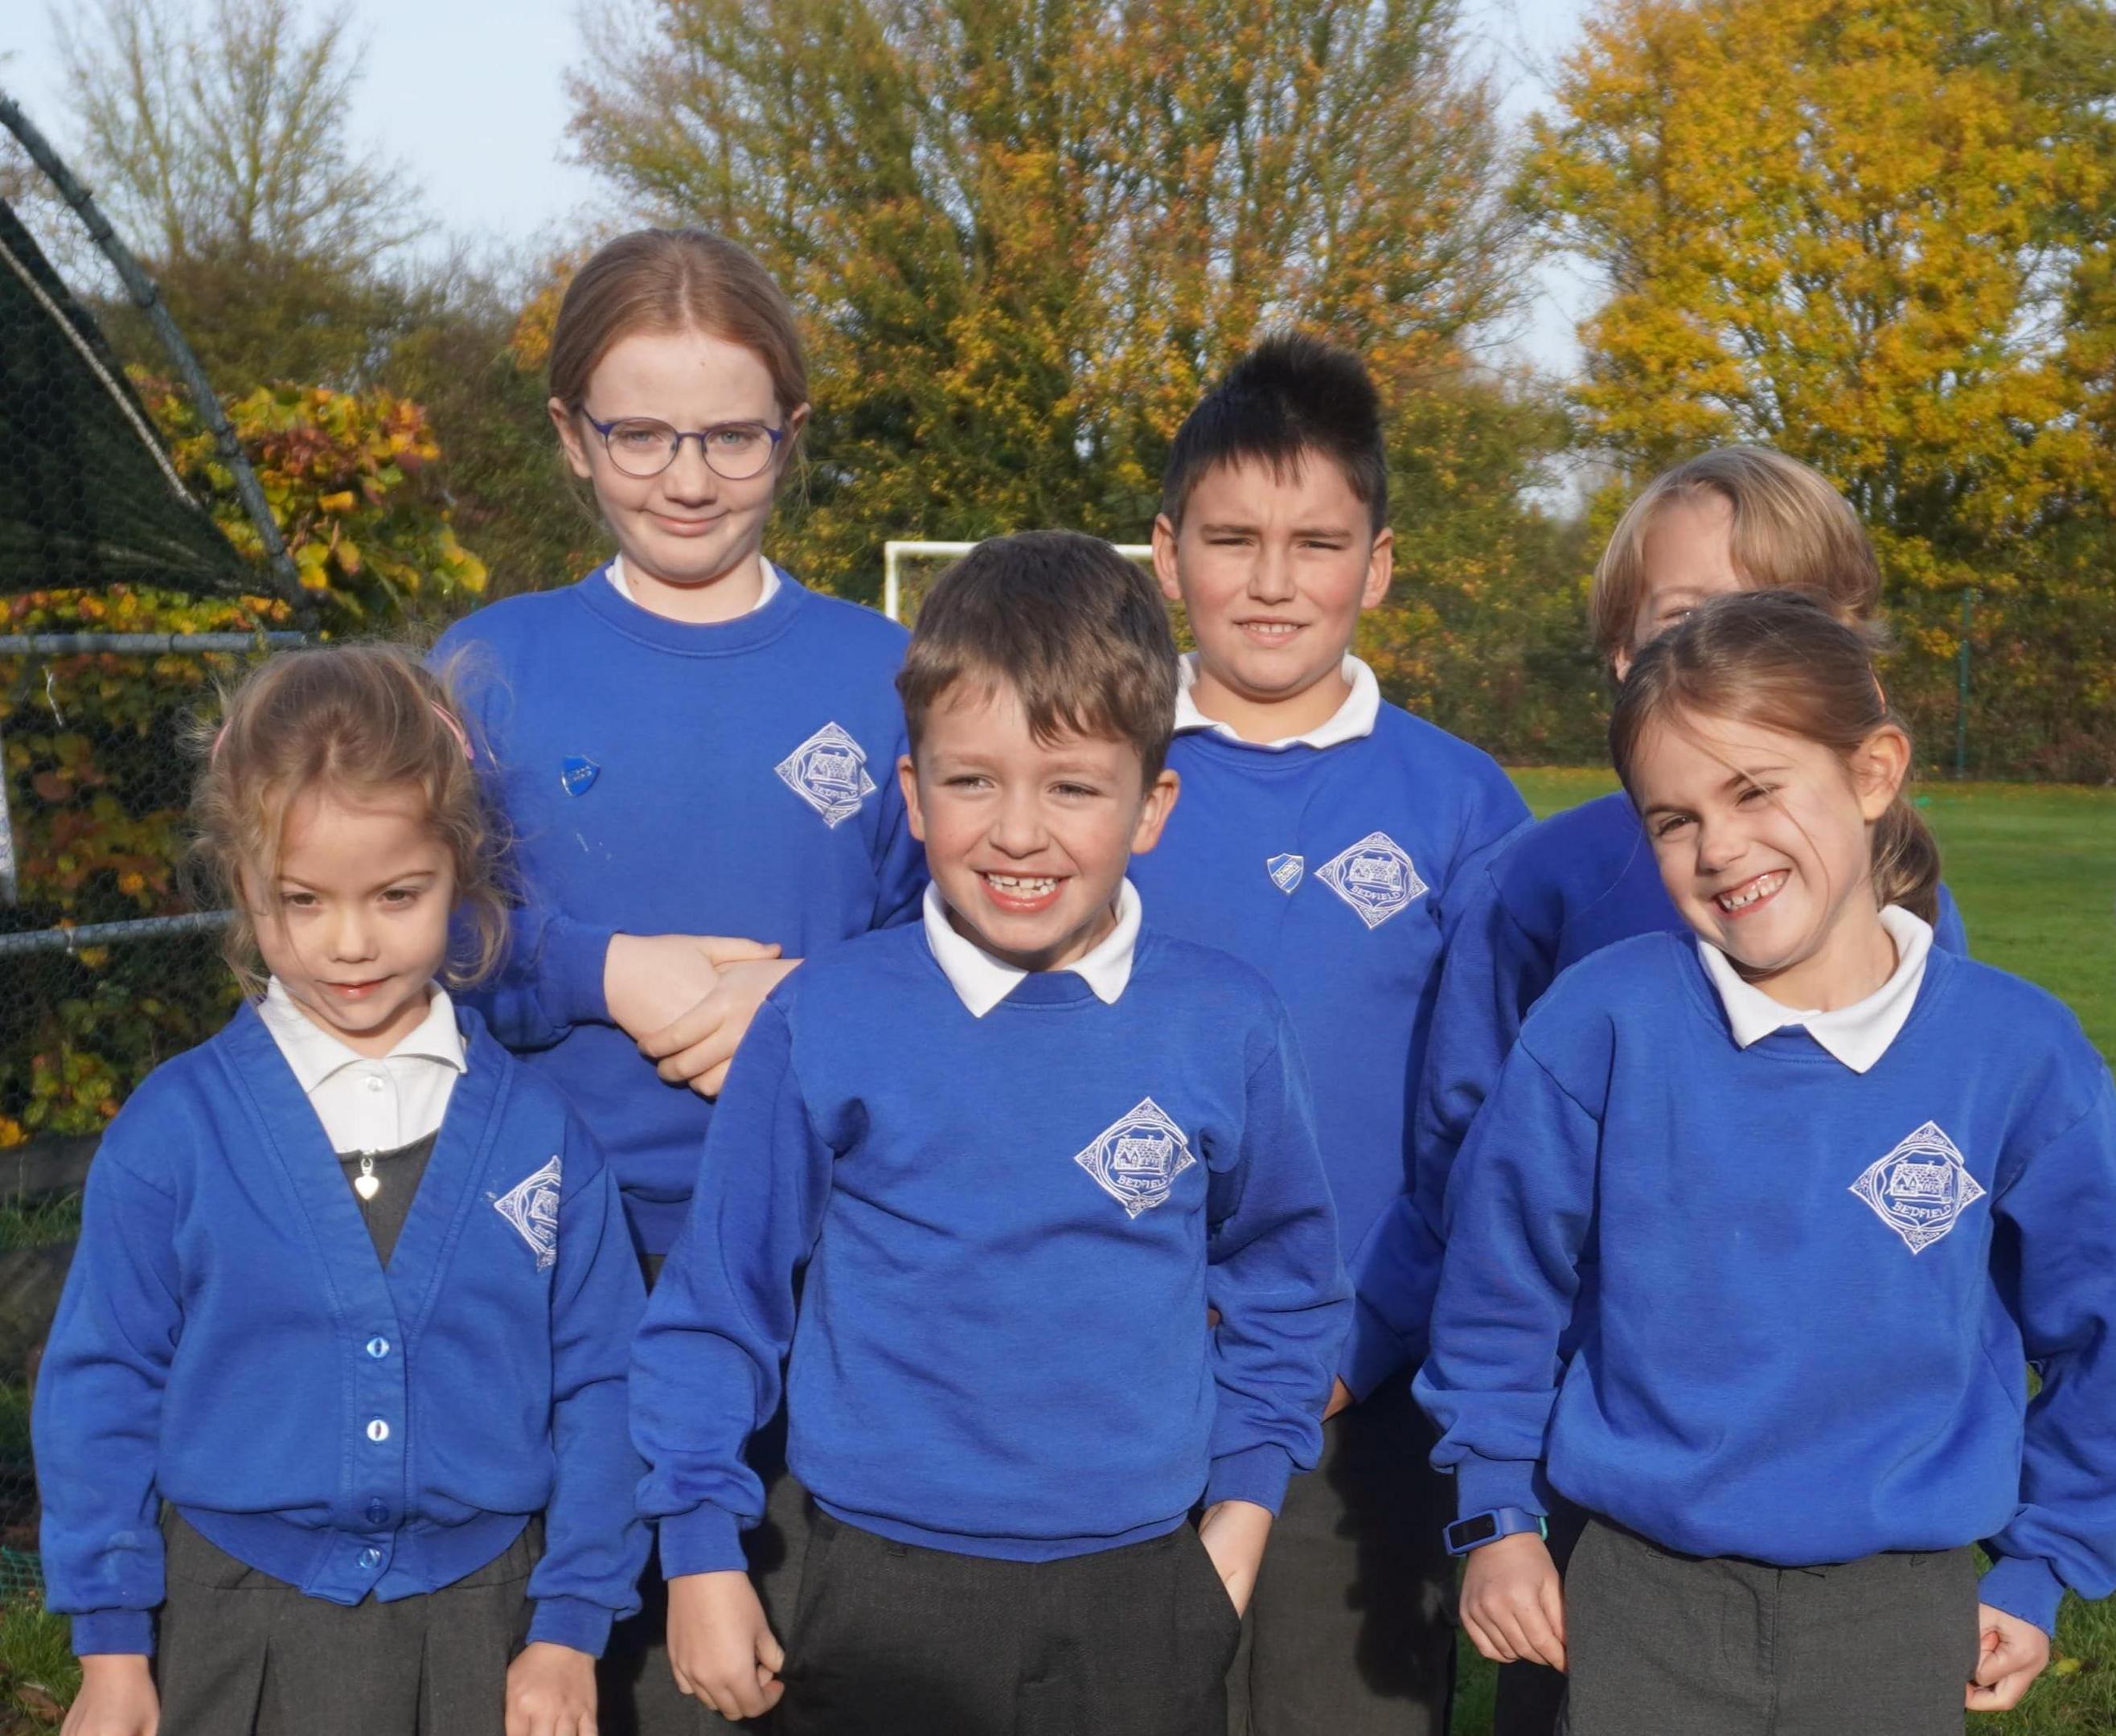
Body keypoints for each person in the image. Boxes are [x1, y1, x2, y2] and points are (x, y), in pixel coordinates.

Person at [627, 534, 1350, 1736]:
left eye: (1072, 786)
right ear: (911, 794)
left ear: (1151, 804)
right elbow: (719, 1302)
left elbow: (1288, 1289)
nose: (1019, 832)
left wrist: (1236, 1526)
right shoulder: (826, 1016)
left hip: (1145, 1592)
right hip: (875, 1590)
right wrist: (700, 1546)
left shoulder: (1224, 1022)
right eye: (973, 781)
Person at [1420, 591, 2116, 1734]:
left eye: (1755, 790)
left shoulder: (2017, 1055)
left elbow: (2101, 1337)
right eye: (1672, 819)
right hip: (1632, 1590)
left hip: (1900, 1604)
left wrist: (2046, 1559)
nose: (1720, 848)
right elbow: (1498, 1297)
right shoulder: (1601, 1025)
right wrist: (1496, 1518)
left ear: (1873, 774)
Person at [1360, 447, 1964, 1731]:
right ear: (1620, 655)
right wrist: (1493, 1454)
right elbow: (1466, 1158)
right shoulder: (1550, 881)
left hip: (1831, 1467)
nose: (1725, 656)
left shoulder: (1911, 896)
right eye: (1686, 624)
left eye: (1777, 620)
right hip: (1594, 1446)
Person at [432, 227, 921, 1729]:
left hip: (822, 1268)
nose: (688, 475)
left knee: (789, 1669)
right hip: (545, 1275)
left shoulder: (886, 668)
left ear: (794, 432)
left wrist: (808, 1007)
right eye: (640, 432)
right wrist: (608, 969)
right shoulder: (486, 666)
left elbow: (961, 938)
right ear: (572, 438)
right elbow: (408, 938)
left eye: (732, 434)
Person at [38, 645, 646, 1736]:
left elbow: (603, 1389)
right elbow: (103, 1387)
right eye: (302, 901)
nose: (350, 943)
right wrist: (113, 1644)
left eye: (397, 895)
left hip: (489, 1628)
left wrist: (569, 1626)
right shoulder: (175, 1132)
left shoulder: (547, 1143)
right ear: (243, 887)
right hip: (226, 1623)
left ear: (460, 871)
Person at [1129, 332, 1529, 1735]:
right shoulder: (1085, 775)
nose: (1276, 579)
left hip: (1353, 1400)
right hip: (1103, 1381)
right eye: (1235, 539)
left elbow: (1483, 1128)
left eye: (1319, 541)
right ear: (1168, 555)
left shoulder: (1463, 807)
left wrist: (1370, 1333)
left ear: (1380, 563)